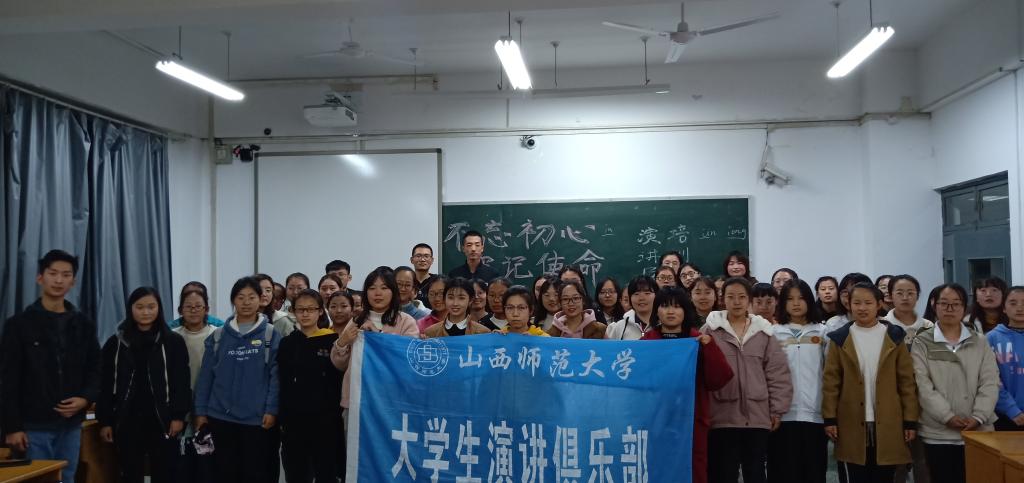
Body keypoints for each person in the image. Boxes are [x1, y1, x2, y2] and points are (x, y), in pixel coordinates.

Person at [1, 250, 100, 481]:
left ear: (73, 282)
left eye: (66, 275)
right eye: (53, 273)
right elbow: (8, 379)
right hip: (33, 424)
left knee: (67, 478)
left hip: (71, 424)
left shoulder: (83, 325)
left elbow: (96, 368)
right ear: (40, 278)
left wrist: (85, 398)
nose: (58, 280)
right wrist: (12, 427)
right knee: (38, 479)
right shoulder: (19, 325)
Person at [822, 282, 920, 483]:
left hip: (889, 420)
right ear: (849, 304)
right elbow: (831, 382)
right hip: (851, 420)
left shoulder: (894, 336)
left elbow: (906, 383)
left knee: (885, 476)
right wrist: (830, 418)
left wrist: (910, 420)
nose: (862, 308)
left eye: (868, 303)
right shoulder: (840, 338)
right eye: (856, 303)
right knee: (856, 475)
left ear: (879, 304)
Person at [97, 287, 191, 483]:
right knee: (130, 473)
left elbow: (181, 382)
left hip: (163, 419)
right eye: (139, 307)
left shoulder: (173, 341)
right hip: (127, 420)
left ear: (159, 308)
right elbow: (105, 384)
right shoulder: (116, 342)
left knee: (165, 473)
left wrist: (178, 416)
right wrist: (105, 420)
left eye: (151, 307)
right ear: (130, 309)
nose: (145, 312)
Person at [193, 276, 282, 483]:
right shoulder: (218, 336)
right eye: (240, 297)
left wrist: (271, 410)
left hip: (256, 419)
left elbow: (275, 378)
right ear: (233, 300)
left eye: (252, 297)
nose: (246, 302)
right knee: (224, 473)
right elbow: (206, 377)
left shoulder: (271, 335)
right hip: (220, 417)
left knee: (255, 473)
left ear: (260, 299)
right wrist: (200, 412)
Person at [703, 277, 792, 483]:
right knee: (724, 474)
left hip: (757, 416)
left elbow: (777, 373)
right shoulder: (709, 331)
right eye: (731, 297)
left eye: (742, 297)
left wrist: (776, 410)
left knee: (756, 473)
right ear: (722, 299)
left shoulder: (764, 332)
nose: (736, 302)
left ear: (749, 300)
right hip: (722, 417)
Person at [642, 287, 733, 483]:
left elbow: (719, 379)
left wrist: (709, 348)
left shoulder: (698, 339)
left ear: (686, 310)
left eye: (677, 306)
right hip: (656, 419)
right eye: (665, 306)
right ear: (657, 311)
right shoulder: (646, 342)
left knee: (693, 469)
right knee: (656, 466)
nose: (671, 311)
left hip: (691, 420)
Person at [912, 283, 999, 483]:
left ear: (964, 307)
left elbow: (990, 381)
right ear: (934, 305)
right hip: (938, 432)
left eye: (956, 304)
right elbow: (922, 385)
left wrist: (979, 416)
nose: (949, 309)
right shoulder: (922, 342)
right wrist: (947, 416)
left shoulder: (979, 341)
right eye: (944, 303)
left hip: (978, 430)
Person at [332, 268, 420, 430]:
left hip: (392, 401)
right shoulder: (357, 320)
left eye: (384, 288)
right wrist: (342, 342)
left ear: (393, 292)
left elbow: (408, 359)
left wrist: (378, 336)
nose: (377, 293)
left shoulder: (406, 321)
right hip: (357, 398)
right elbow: (340, 365)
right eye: (372, 288)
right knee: (354, 444)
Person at [277, 289, 343, 483]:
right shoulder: (287, 343)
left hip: (326, 420)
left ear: (320, 311)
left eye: (310, 309)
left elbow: (336, 380)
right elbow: (282, 381)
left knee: (326, 472)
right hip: (294, 421)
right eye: (300, 309)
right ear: (293, 311)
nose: (305, 314)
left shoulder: (332, 341)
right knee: (296, 473)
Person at [767, 279, 827, 483]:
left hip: (815, 414)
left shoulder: (822, 332)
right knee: (783, 472)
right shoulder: (773, 334)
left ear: (809, 300)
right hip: (782, 416)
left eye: (801, 298)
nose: (796, 303)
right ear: (782, 303)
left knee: (814, 472)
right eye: (790, 299)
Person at [172, 287, 218, 482]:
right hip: (180, 405)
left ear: (206, 309)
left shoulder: (217, 335)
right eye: (188, 306)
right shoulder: (172, 336)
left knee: (207, 465)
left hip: (209, 406)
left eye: (198, 306)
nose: (193, 310)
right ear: (180, 310)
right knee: (182, 465)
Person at [987, 286, 1024, 430]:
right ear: (1003, 308)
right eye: (1013, 303)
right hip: (1005, 416)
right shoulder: (991, 338)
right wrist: (1011, 409)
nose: (1019, 308)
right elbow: (990, 379)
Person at [424, 277, 491, 337]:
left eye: (461, 298)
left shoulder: (483, 332)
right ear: (444, 299)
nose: (455, 303)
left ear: (470, 300)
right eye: (451, 297)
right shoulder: (431, 333)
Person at [410, 243, 438, 307]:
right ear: (412, 260)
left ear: (432, 260)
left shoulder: (437, 281)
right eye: (418, 256)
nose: (422, 259)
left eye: (426, 256)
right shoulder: (407, 282)